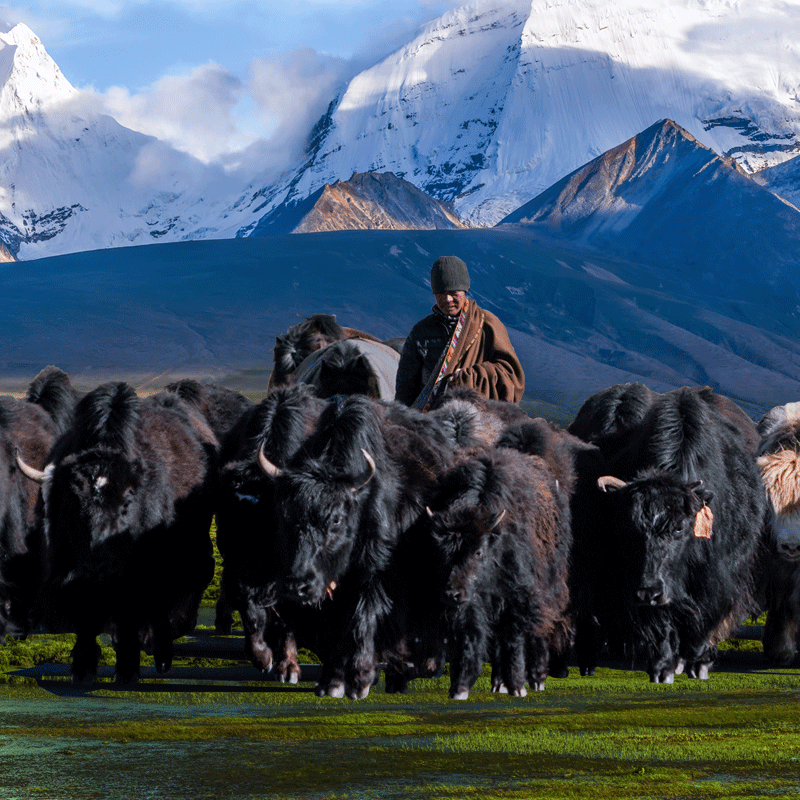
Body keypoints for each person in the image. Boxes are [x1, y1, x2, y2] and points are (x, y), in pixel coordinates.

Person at [395, 255, 525, 409]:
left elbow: (512, 376)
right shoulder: (421, 332)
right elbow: (406, 386)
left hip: (480, 416)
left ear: (464, 291)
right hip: (432, 417)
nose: (448, 299)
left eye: (454, 293)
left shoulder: (487, 325)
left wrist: (467, 377)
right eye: (441, 294)